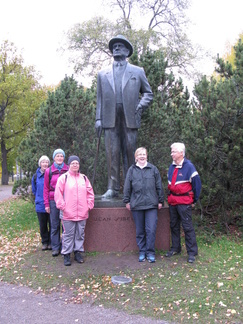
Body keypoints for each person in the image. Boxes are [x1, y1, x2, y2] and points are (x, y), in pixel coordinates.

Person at [95, 35, 153, 198]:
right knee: (112, 154)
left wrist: (140, 106)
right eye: (114, 46)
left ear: (128, 51)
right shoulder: (102, 74)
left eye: (120, 46)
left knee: (130, 152)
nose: (117, 48)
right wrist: (98, 119)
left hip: (130, 116)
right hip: (109, 117)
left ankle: (131, 187)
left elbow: (148, 94)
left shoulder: (137, 71)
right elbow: (99, 98)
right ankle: (112, 188)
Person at [123, 147, 164, 263]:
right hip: (137, 205)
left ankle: (150, 252)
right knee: (140, 231)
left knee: (150, 230)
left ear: (147, 156)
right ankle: (142, 251)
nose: (142, 156)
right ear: (136, 157)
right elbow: (127, 187)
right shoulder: (131, 170)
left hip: (151, 205)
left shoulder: (153, 169)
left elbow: (159, 186)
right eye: (139, 154)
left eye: (144, 154)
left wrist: (160, 200)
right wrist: (127, 201)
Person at [54, 155, 94, 266]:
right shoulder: (64, 178)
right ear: (69, 165)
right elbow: (58, 194)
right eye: (73, 163)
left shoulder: (84, 178)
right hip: (68, 213)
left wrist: (89, 205)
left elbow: (90, 193)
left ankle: (78, 253)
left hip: (82, 213)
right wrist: (63, 206)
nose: (75, 165)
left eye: (77, 163)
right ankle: (66, 254)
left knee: (80, 234)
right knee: (68, 235)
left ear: (79, 165)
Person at [166, 142, 202, 263]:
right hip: (173, 201)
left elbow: (197, 185)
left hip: (184, 202)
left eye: (174, 151)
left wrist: (194, 200)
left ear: (181, 153)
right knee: (174, 225)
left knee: (187, 227)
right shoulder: (171, 167)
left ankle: (192, 252)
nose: (172, 154)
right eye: (171, 152)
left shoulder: (189, 166)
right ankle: (176, 248)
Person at [43, 148, 69, 257]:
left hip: (65, 200)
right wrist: (47, 204)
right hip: (53, 200)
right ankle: (55, 247)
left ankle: (65, 247)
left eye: (61, 156)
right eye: (57, 156)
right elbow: (45, 188)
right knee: (54, 225)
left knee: (65, 225)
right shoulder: (49, 171)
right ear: (54, 158)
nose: (59, 158)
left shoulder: (68, 169)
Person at [31, 155, 51, 251]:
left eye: (46, 162)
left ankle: (51, 242)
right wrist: (39, 198)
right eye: (43, 162)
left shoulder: (51, 174)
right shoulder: (35, 176)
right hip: (40, 204)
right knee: (43, 225)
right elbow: (34, 190)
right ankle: (45, 242)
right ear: (40, 164)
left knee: (52, 224)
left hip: (51, 203)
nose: (45, 164)